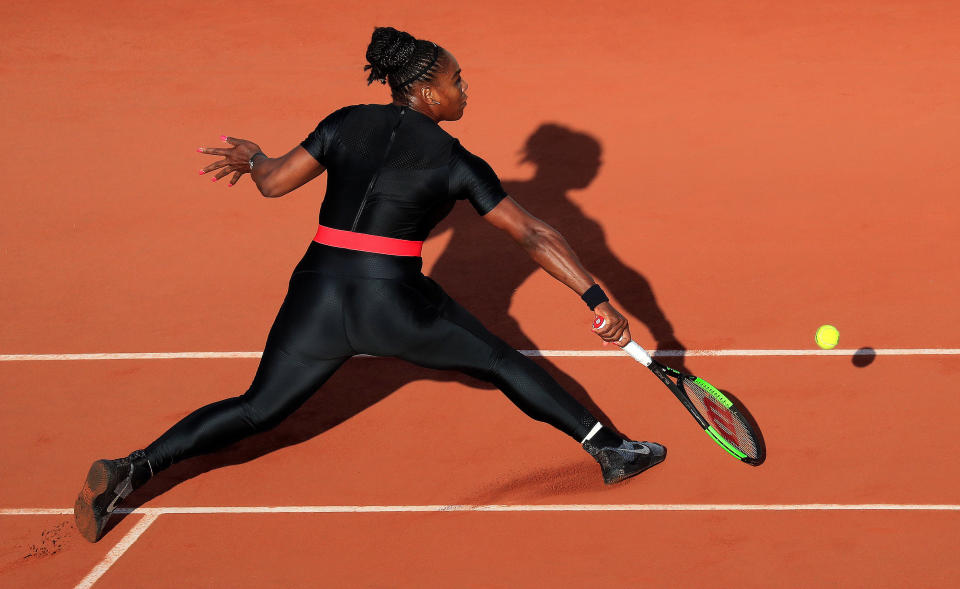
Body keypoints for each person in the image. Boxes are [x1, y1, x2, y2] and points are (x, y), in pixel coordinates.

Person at [74, 26, 665, 543]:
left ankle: (133, 467)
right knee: (502, 362)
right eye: (459, 81)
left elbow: (275, 182)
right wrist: (595, 297)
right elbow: (533, 235)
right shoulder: (457, 160)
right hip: (393, 301)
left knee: (258, 407)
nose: (465, 90)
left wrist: (254, 155)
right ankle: (610, 449)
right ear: (428, 91)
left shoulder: (344, 122)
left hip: (317, 291)